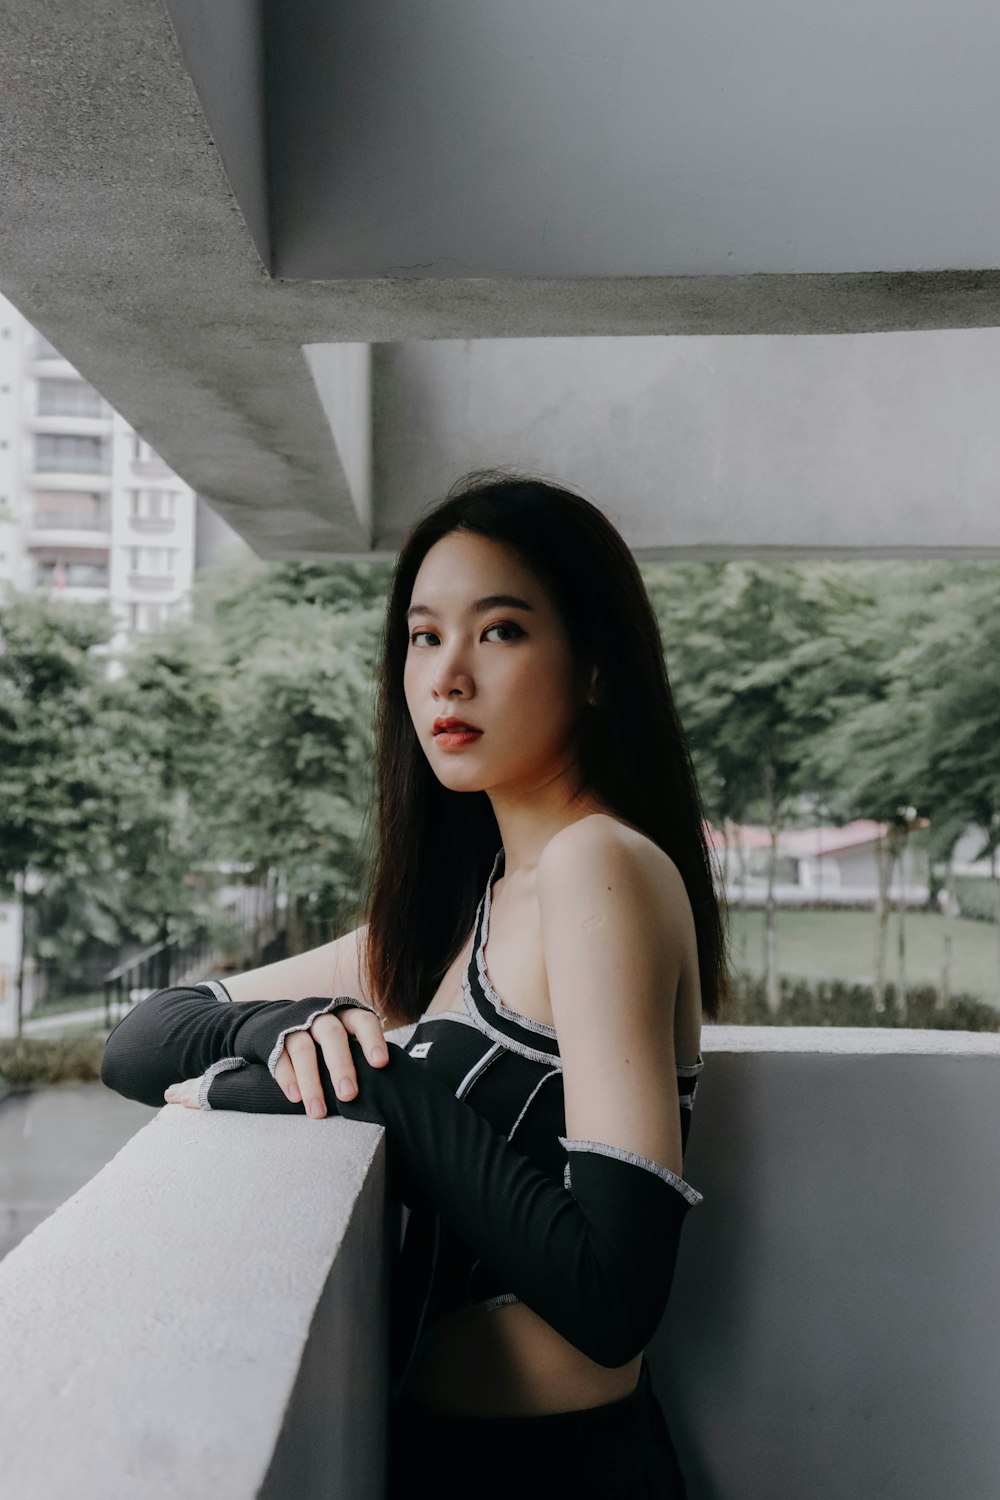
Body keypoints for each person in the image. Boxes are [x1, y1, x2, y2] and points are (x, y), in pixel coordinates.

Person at [101, 469, 731, 1499]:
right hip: (434, 1459)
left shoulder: (596, 868)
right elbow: (139, 1042)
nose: (447, 677)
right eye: (424, 637)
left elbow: (614, 1295)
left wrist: (380, 1078)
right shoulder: (464, 911)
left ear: (595, 667)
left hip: (562, 1473)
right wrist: (285, 1035)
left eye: (500, 632)